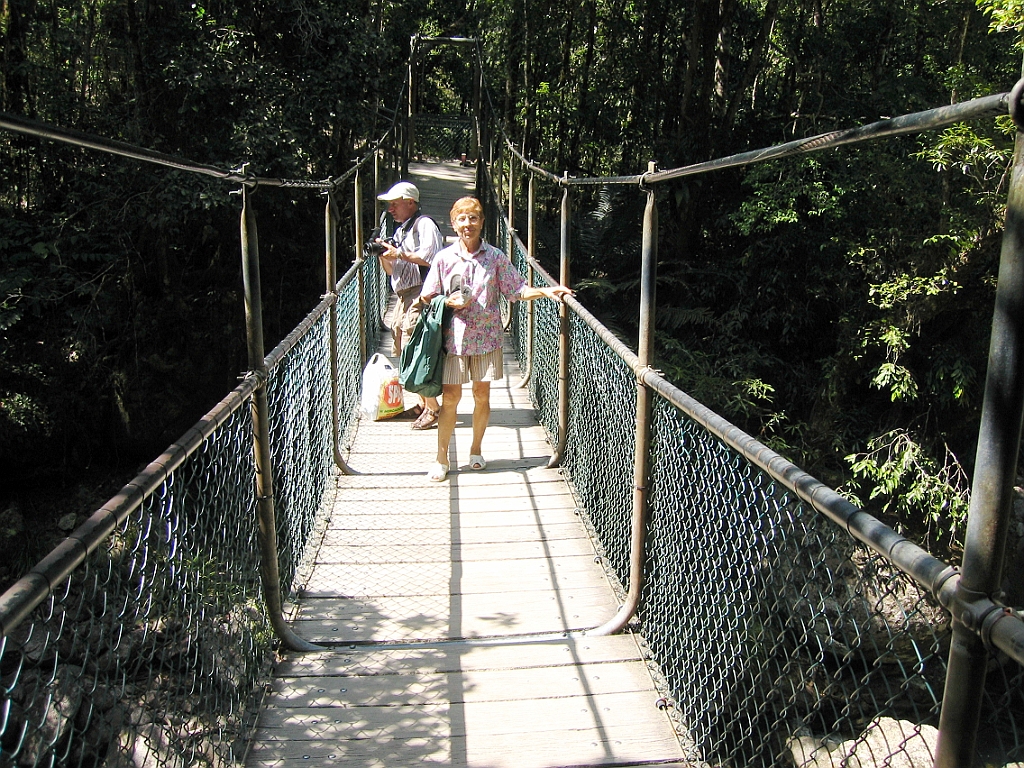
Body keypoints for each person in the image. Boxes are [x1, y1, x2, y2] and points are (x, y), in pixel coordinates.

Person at [418, 196, 573, 482]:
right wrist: (447, 302)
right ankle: (441, 458)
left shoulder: (496, 257)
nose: (468, 224)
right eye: (462, 219)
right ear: (453, 224)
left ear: (482, 221)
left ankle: (476, 450)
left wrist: (547, 291)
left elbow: (517, 289)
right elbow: (426, 296)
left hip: (487, 339)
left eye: (473, 218)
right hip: (454, 339)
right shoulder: (443, 258)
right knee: (450, 398)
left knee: (482, 395)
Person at [374, 181, 445, 428]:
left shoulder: (424, 224)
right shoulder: (401, 230)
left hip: (422, 294)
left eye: (395, 203)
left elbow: (431, 258)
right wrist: (385, 256)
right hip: (403, 296)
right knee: (402, 347)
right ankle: (423, 404)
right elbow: (392, 269)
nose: (390, 209)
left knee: (415, 349)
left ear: (410, 202)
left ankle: (433, 408)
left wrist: (399, 254)